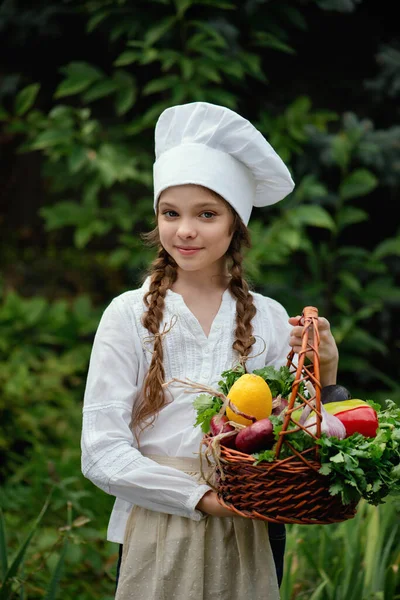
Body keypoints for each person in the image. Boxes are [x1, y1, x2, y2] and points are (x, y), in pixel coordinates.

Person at [81, 101, 339, 600]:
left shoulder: (267, 316)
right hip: (157, 520)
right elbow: (101, 451)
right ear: (156, 218)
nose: (186, 230)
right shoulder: (128, 314)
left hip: (253, 525)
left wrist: (325, 371)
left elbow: (295, 431)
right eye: (170, 213)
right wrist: (200, 497)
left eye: (207, 214)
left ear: (235, 226)